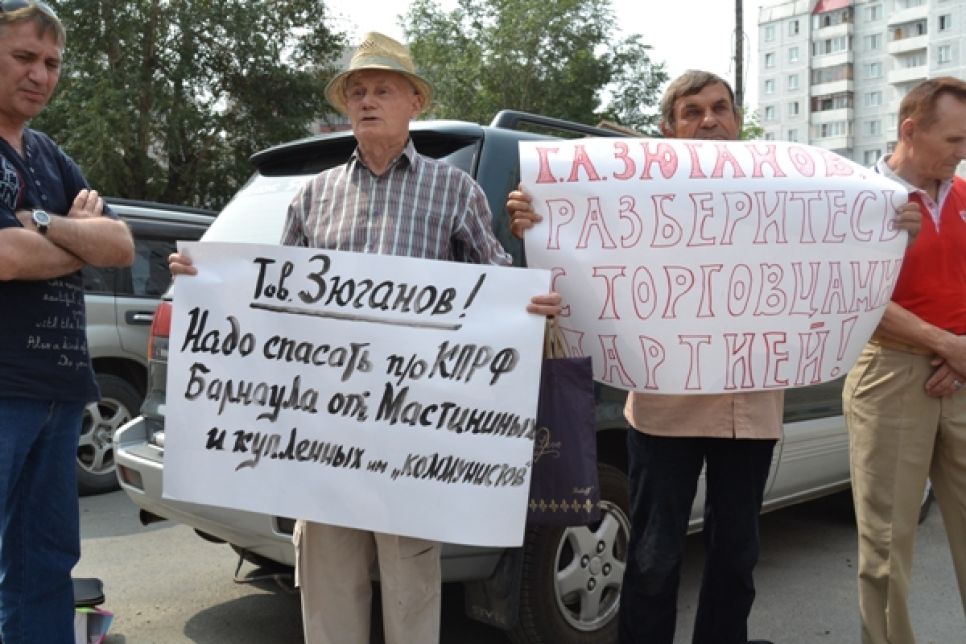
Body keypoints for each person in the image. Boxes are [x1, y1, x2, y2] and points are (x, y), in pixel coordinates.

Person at [168, 32, 560, 644]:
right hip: (322, 429)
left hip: (413, 428)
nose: (368, 101)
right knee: (327, 581)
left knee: (411, 581)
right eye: (357, 92)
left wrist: (530, 303)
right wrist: (208, 285)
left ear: (414, 103)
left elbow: (496, 283)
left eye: (382, 90)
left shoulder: (454, 190)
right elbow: (274, 302)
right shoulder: (314, 194)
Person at [507, 69, 920, 644]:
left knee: (736, 555)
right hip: (664, 411)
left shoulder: (781, 190)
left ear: (737, 119)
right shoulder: (632, 193)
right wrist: (539, 220)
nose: (709, 120)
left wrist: (892, 227)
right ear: (668, 130)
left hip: (751, 412)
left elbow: (837, 245)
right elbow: (578, 248)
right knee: (653, 557)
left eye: (720, 108)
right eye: (693, 111)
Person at [0, 3, 135, 643]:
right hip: (4, 391)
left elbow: (121, 245)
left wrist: (44, 223)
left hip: (59, 390)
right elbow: (5, 256)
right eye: (24, 57)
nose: (40, 75)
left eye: (52, 63)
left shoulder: (49, 155)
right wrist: (80, 240)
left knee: (46, 564)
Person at [843, 76, 966, 644]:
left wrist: (960, 355)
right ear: (910, 131)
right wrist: (949, 347)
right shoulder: (860, 199)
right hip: (890, 373)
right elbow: (856, 297)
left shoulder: (963, 195)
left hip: (961, 372)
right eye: (954, 139)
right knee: (887, 546)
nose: (962, 152)